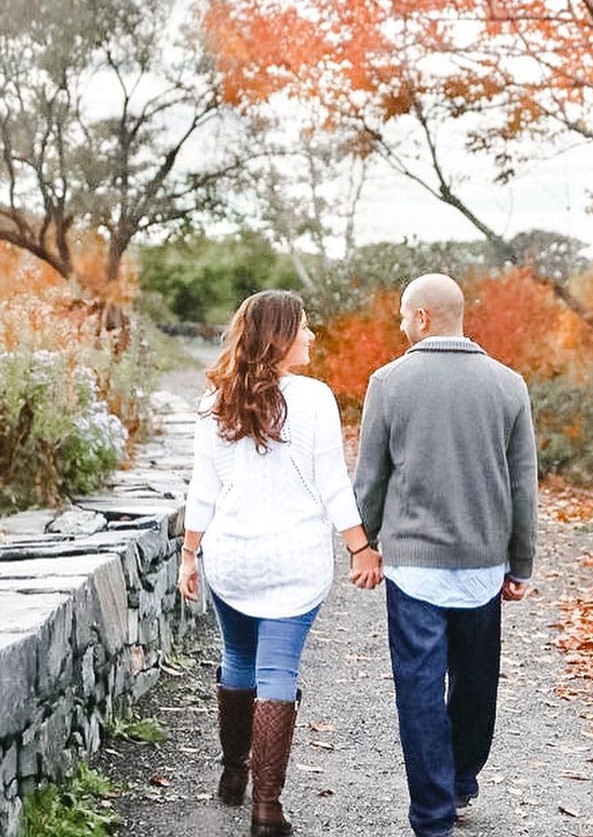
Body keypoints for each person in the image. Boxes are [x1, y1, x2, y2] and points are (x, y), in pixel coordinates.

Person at [178, 290, 382, 837]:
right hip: (294, 562)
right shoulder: (313, 398)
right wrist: (360, 547)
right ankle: (266, 809)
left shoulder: (215, 400)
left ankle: (230, 776)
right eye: (305, 328)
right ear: (280, 336)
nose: (312, 336)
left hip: (233, 557)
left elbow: (204, 490)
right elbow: (334, 484)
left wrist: (188, 554)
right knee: (276, 672)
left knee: (237, 657)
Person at [353, 273, 538, 837]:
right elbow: (523, 484)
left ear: (424, 318)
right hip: (483, 563)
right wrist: (520, 562)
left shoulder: (388, 382)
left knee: (418, 687)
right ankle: (459, 782)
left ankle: (433, 815)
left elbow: (371, 480)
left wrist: (364, 543)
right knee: (476, 681)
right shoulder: (510, 385)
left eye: (404, 315)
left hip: (411, 566)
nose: (400, 325)